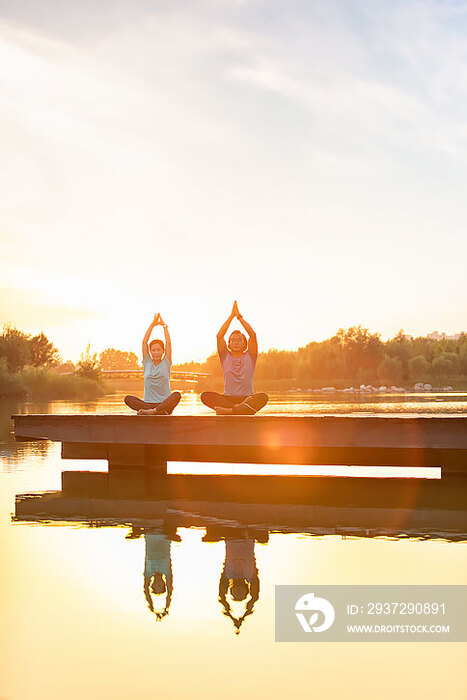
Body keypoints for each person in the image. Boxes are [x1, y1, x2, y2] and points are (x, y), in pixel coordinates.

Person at [201, 301, 268, 415]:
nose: (236, 342)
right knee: (205, 396)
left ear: (244, 343)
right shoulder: (225, 356)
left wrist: (239, 317)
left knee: (263, 397)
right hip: (228, 399)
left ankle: (231, 410)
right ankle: (239, 409)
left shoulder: (251, 356)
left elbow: (252, 335)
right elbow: (219, 336)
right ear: (229, 344)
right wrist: (231, 316)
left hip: (248, 398)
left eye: (239, 340)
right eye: (233, 340)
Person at [124, 313, 181, 415]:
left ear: (163, 351)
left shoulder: (166, 362)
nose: (156, 352)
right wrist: (152, 325)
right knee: (127, 399)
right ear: (150, 351)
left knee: (176, 395)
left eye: (158, 350)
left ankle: (154, 411)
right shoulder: (147, 362)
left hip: (164, 404)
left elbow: (168, 343)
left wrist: (164, 326)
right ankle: (156, 411)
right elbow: (144, 342)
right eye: (153, 350)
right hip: (147, 405)